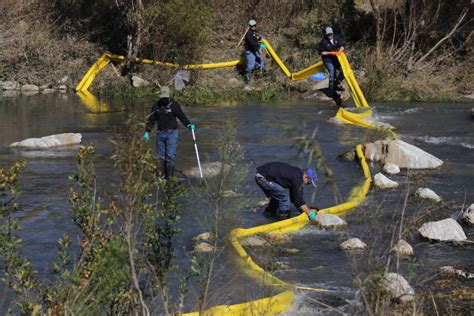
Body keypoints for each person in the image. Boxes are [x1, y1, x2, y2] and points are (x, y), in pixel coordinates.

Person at [144, 86, 195, 179]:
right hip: (160, 134)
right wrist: (147, 131)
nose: (164, 99)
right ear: (160, 96)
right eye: (162, 97)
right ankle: (166, 175)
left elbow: (182, 116)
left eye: (165, 97)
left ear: (168, 96)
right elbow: (151, 120)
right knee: (162, 156)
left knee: (170, 156)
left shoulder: (174, 105)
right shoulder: (156, 106)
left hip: (172, 133)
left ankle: (170, 178)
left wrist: (188, 125)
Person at [319, 26, 345, 106]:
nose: (329, 36)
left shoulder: (337, 38)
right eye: (328, 35)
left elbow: (342, 46)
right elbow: (321, 52)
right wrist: (331, 53)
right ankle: (332, 90)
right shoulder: (323, 42)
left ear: (332, 33)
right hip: (327, 59)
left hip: (336, 58)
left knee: (343, 71)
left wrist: (339, 52)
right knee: (332, 72)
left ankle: (337, 83)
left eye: (330, 34)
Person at [243, 19, 266, 84]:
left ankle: (259, 75)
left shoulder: (254, 32)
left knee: (261, 62)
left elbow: (257, 37)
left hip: (255, 50)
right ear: (249, 26)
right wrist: (261, 45)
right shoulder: (248, 34)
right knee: (251, 65)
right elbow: (252, 42)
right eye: (252, 26)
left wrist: (261, 39)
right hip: (249, 51)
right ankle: (247, 77)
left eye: (254, 25)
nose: (253, 27)